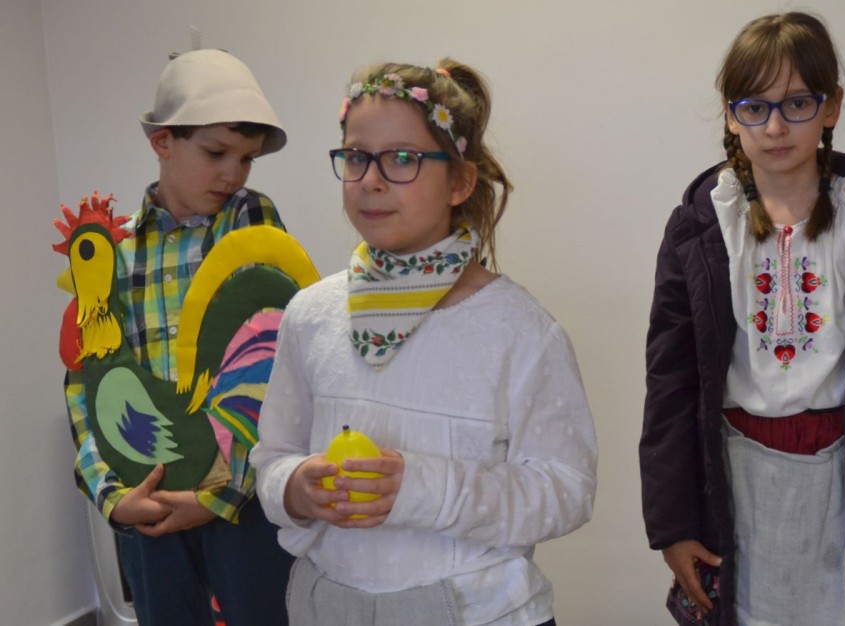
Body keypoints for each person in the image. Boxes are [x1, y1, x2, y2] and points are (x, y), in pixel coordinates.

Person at [639, 12, 845, 626]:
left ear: (831, 106)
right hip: (735, 492)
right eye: (754, 107)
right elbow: (670, 387)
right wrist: (674, 526)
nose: (775, 126)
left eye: (797, 103)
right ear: (730, 115)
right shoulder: (698, 230)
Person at [250, 59, 598, 626]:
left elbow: (566, 490)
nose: (372, 179)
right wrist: (292, 488)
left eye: (403, 159)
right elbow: (271, 457)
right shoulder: (310, 314)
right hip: (329, 606)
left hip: (480, 612)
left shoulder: (522, 331)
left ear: (459, 182)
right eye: (356, 157)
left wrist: (423, 489)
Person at [63, 49, 295, 625]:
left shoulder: (251, 224)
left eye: (246, 158)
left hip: (243, 502)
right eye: (216, 153)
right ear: (162, 142)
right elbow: (86, 385)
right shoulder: (113, 254)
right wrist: (112, 495)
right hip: (149, 501)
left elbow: (278, 367)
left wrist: (222, 494)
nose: (233, 174)